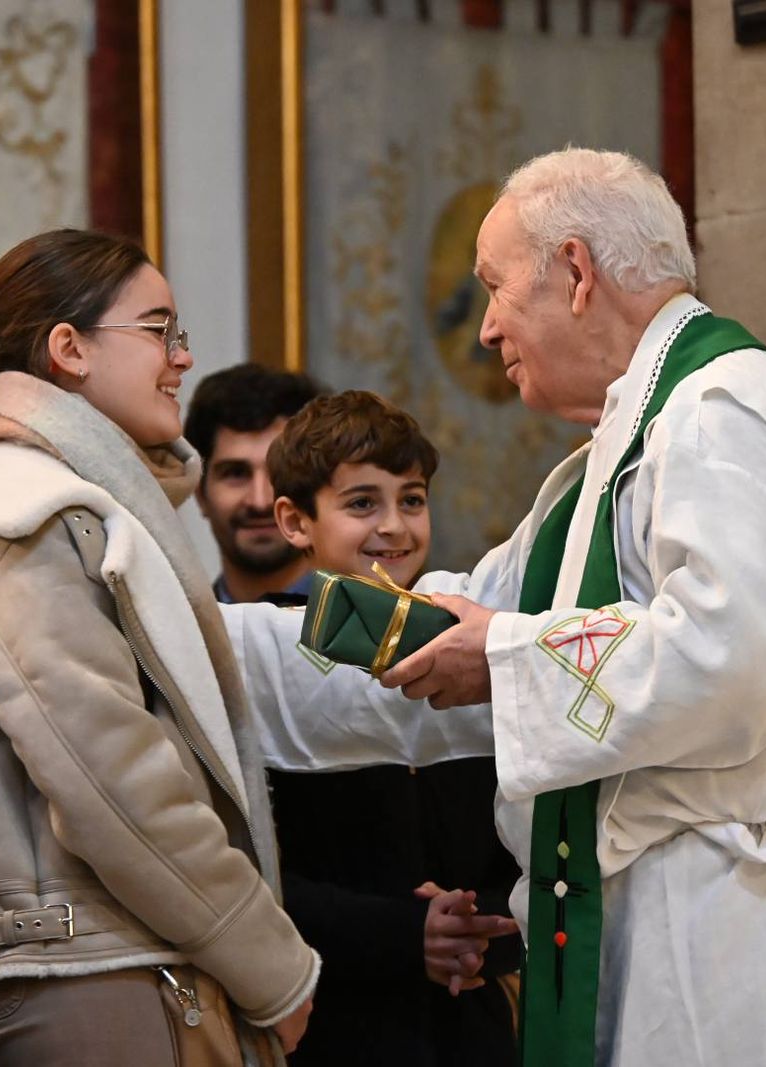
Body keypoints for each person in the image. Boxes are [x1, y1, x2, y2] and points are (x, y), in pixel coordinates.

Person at [226, 148, 766, 1065]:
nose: (488, 328)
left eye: (495, 289)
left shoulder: (721, 414)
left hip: (730, 931)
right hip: (646, 915)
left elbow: (732, 659)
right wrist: (181, 639)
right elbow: (448, 629)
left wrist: (500, 657)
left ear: (576, 274)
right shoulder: (609, 459)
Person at [0, 228, 323, 1066]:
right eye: (157, 329)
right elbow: (116, 789)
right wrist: (273, 965)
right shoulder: (34, 522)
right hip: (91, 966)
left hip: (113, 960)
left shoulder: (72, 515)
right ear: (69, 350)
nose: (181, 357)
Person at [262, 390, 521, 1066]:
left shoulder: (468, 649)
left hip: (471, 1029)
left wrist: (480, 922)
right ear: (295, 520)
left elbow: (519, 839)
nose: (395, 527)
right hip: (335, 1026)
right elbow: (251, 874)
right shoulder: (262, 654)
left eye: (411, 499)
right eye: (361, 504)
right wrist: (405, 932)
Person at [183, 363, 325, 604]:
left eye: (280, 472)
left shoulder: (381, 632)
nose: (261, 501)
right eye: (236, 473)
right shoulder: (176, 635)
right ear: (200, 494)